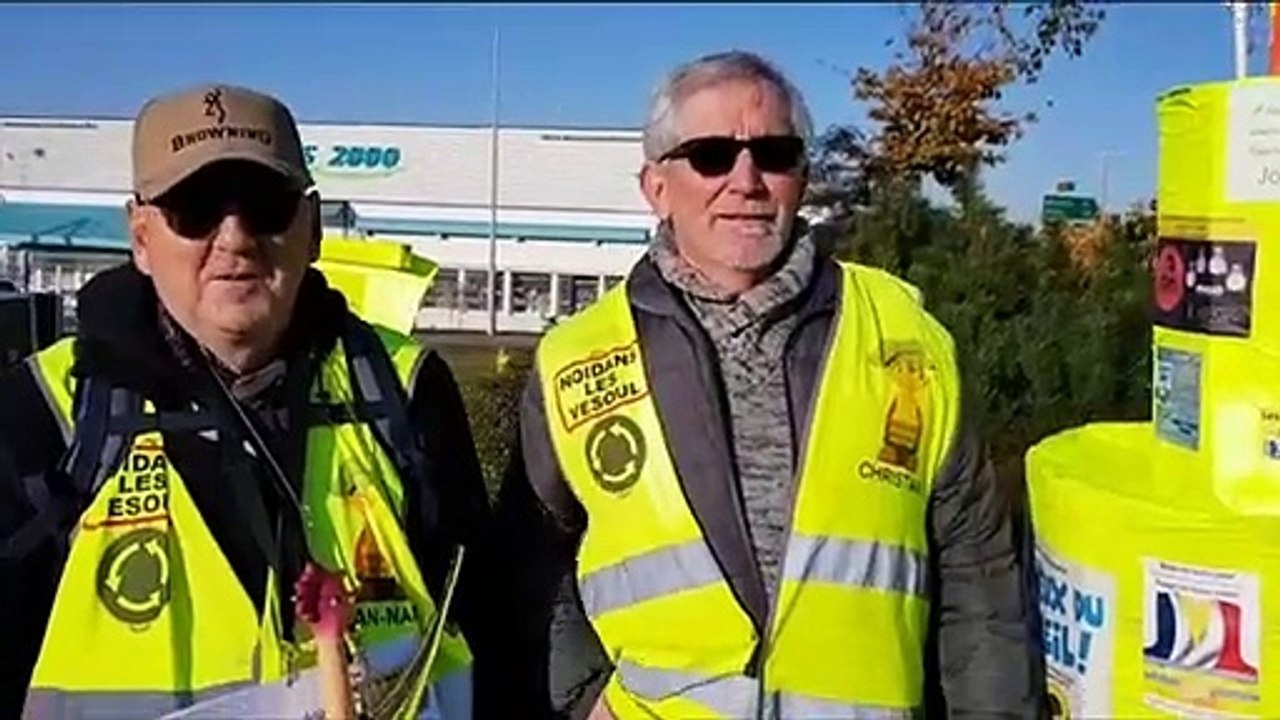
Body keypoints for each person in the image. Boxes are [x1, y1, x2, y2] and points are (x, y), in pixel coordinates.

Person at [483, 50, 1046, 719]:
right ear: (656, 186)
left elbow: (979, 585)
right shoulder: (574, 361)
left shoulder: (907, 340)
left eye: (773, 153)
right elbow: (528, 578)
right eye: (712, 155)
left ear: (802, 177)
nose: (746, 180)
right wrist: (577, 699)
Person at [0, 84, 489, 719]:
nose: (234, 238)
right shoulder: (47, 412)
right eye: (195, 207)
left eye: (264, 204)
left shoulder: (403, 387)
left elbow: (491, 621)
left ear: (311, 228)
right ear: (141, 237)